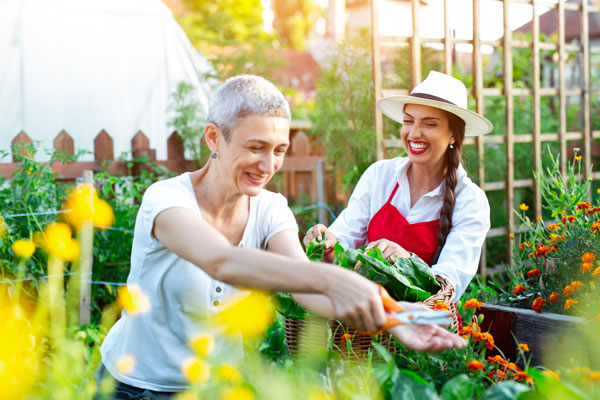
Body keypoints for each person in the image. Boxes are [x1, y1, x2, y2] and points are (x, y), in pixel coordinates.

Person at [99, 75, 465, 398]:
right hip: (135, 388)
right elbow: (222, 261)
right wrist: (339, 279)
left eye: (279, 150)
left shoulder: (270, 208)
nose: (268, 165)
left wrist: (394, 316)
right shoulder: (166, 200)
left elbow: (306, 292)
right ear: (214, 137)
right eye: (256, 147)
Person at [304, 71, 492, 302]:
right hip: (363, 322)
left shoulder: (470, 200)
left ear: (454, 134)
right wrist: (326, 241)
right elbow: (343, 242)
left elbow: (449, 284)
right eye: (408, 120)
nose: (414, 133)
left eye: (429, 124)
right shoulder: (379, 175)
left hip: (426, 326)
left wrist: (407, 262)